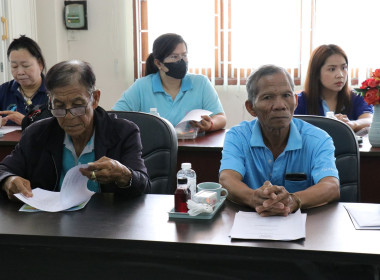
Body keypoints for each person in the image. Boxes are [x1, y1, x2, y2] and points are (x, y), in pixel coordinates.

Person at [0, 60, 151, 201]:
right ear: (50, 102)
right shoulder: (37, 134)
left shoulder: (123, 132)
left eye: (78, 105)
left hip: (107, 222)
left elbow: (144, 185)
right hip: (51, 222)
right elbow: (4, 170)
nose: (69, 116)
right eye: (59, 107)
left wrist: (124, 175)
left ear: (95, 99)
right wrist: (8, 180)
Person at [219, 65, 340, 217]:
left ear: (295, 101)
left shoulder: (318, 139)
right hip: (252, 222)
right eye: (268, 97)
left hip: (305, 227)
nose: (280, 105)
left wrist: (293, 200)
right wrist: (253, 198)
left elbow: (331, 186)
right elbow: (226, 179)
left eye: (286, 96)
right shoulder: (238, 136)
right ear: (251, 107)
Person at [112, 33, 226, 132]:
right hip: (154, 150)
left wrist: (210, 124)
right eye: (174, 57)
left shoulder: (201, 83)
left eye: (184, 55)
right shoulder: (142, 86)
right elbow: (115, 117)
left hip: (194, 148)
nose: (181, 61)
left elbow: (221, 118)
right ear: (158, 63)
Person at [294, 44, 372, 133]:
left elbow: (368, 120)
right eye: (332, 69)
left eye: (343, 68)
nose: (340, 75)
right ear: (316, 73)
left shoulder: (356, 97)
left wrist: (351, 124)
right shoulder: (299, 101)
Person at [0, 35, 49, 126]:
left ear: (40, 64)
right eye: (14, 66)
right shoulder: (3, 90)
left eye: (26, 66)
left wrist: (26, 121)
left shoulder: (54, 91)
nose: (20, 72)